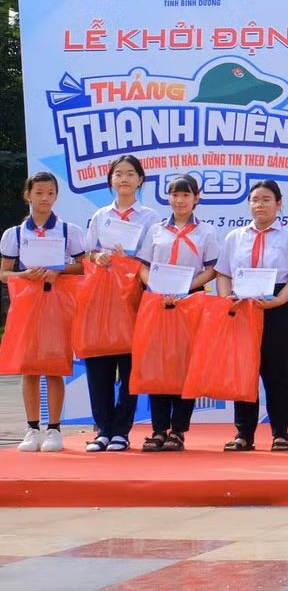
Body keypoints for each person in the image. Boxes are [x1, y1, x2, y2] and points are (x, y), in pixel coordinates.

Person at [215, 179, 288, 452]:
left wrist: (280, 300)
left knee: (276, 371)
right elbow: (223, 272)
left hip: (275, 306)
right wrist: (227, 300)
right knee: (244, 372)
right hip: (242, 306)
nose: (260, 205)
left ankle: (280, 433)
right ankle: (243, 434)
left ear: (278, 204)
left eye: (267, 199)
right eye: (255, 199)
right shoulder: (235, 237)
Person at [1, 171, 87, 452]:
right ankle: (31, 428)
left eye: (50, 193)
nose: (44, 198)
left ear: (56, 196)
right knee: (29, 368)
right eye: (38, 193)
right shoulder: (14, 233)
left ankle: (54, 429)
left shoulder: (67, 230)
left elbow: (84, 266)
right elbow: (4, 274)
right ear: (27, 195)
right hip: (26, 304)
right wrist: (24, 275)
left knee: (54, 367)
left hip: (56, 303)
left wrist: (57, 270)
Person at [134, 174, 220, 452]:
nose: (180, 200)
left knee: (185, 365)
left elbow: (212, 270)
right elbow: (142, 266)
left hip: (190, 303)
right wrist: (156, 287)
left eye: (186, 195)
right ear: (168, 198)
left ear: (196, 198)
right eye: (175, 195)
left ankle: (178, 430)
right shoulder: (156, 230)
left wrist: (184, 288)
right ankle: (159, 429)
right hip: (157, 302)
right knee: (158, 366)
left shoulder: (206, 232)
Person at [83, 155, 161, 452]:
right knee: (99, 363)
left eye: (131, 174)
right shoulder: (100, 215)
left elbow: (150, 258)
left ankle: (121, 431)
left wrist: (129, 260)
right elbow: (87, 253)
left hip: (133, 296)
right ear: (111, 180)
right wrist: (97, 257)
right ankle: (102, 428)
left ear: (141, 180)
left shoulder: (151, 217)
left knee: (130, 365)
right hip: (101, 298)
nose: (125, 179)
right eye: (119, 174)